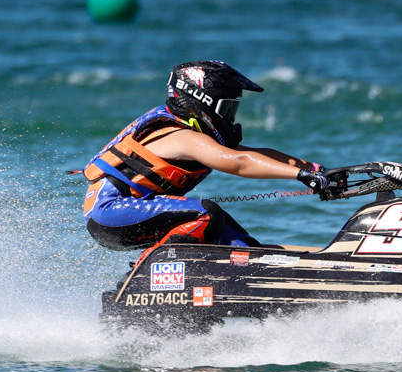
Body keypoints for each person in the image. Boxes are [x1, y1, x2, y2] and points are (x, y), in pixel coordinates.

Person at [82, 60, 335, 254]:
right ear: (201, 101)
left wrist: (316, 170)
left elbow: (251, 154)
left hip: (125, 211)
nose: (231, 118)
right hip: (110, 212)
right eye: (227, 108)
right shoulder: (180, 135)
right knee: (207, 214)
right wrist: (303, 176)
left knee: (241, 245)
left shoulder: (187, 131)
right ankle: (147, 279)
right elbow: (238, 162)